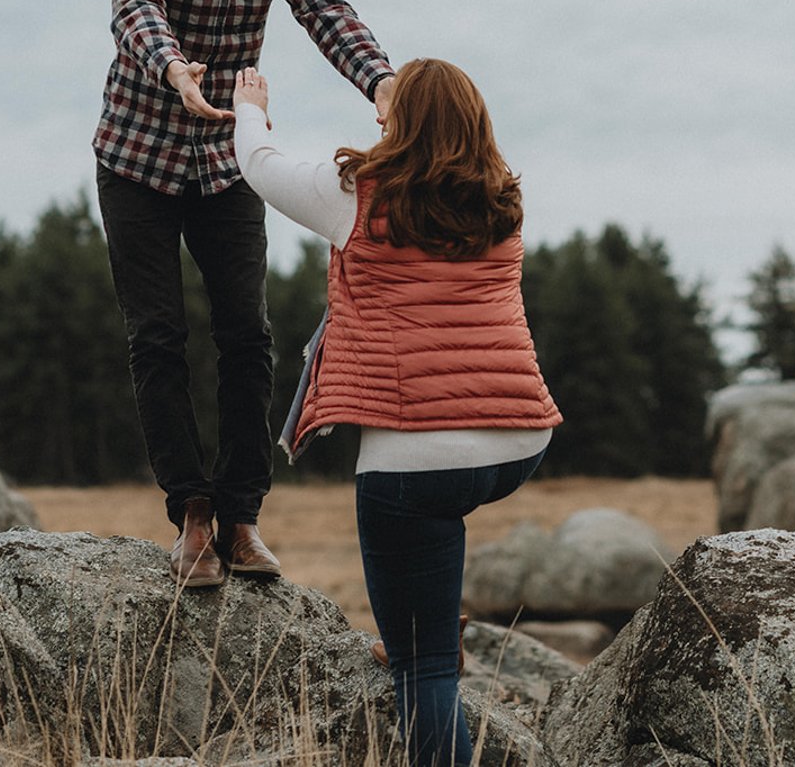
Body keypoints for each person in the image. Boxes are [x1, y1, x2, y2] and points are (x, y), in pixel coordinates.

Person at [93, 0, 394, 589]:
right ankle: (191, 513)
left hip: (226, 166)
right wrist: (171, 65)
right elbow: (136, 5)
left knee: (249, 338)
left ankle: (242, 517)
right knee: (158, 337)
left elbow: (328, 9)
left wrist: (383, 81)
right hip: (137, 161)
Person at [232, 56, 562, 767]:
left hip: (417, 464)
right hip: (518, 444)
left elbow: (258, 164)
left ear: (401, 121)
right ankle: (425, 617)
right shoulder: (501, 202)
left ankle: (424, 639)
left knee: (426, 671)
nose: (378, 115)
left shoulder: (359, 194)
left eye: (389, 106)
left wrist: (249, 103)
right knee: (435, 545)